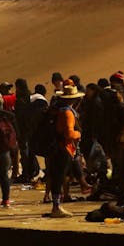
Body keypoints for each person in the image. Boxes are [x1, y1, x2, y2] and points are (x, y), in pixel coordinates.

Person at [47, 80, 83, 218]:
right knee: (59, 176)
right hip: (64, 147)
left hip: (56, 147)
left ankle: (56, 206)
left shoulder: (57, 110)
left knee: (57, 176)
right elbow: (68, 133)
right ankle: (56, 207)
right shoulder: (67, 113)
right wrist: (78, 133)